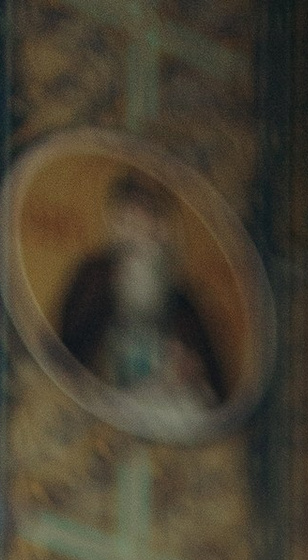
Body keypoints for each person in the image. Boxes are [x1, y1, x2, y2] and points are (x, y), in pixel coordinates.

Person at [57, 169, 228, 432]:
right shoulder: (94, 277)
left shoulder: (181, 298)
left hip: (166, 401)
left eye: (143, 216)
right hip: (107, 397)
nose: (133, 227)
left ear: (161, 226)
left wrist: (186, 370)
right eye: (125, 218)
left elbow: (207, 374)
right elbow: (72, 348)